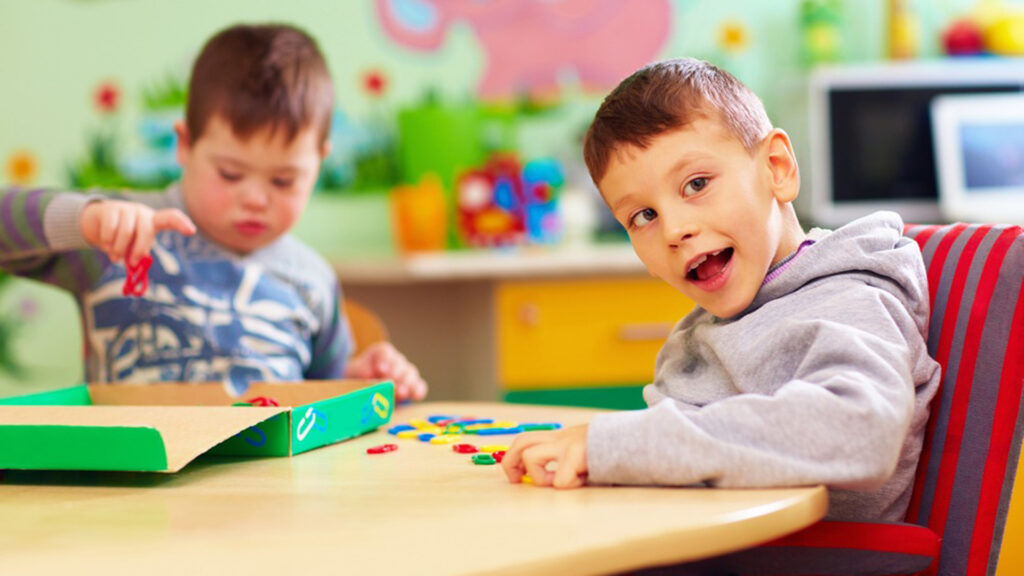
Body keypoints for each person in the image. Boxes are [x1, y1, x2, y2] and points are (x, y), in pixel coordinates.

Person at [501, 58, 940, 522]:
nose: (673, 229)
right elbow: (674, 459)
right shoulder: (697, 337)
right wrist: (601, 454)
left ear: (776, 168)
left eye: (696, 184)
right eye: (643, 216)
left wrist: (616, 444)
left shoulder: (846, 299)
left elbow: (859, 430)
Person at [0, 23, 427, 401]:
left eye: (283, 181)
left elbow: (323, 397)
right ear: (184, 144)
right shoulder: (114, 234)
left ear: (319, 161)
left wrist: (359, 380)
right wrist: (84, 220)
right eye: (230, 174)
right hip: (127, 488)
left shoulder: (312, 279)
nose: (256, 199)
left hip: (268, 488)